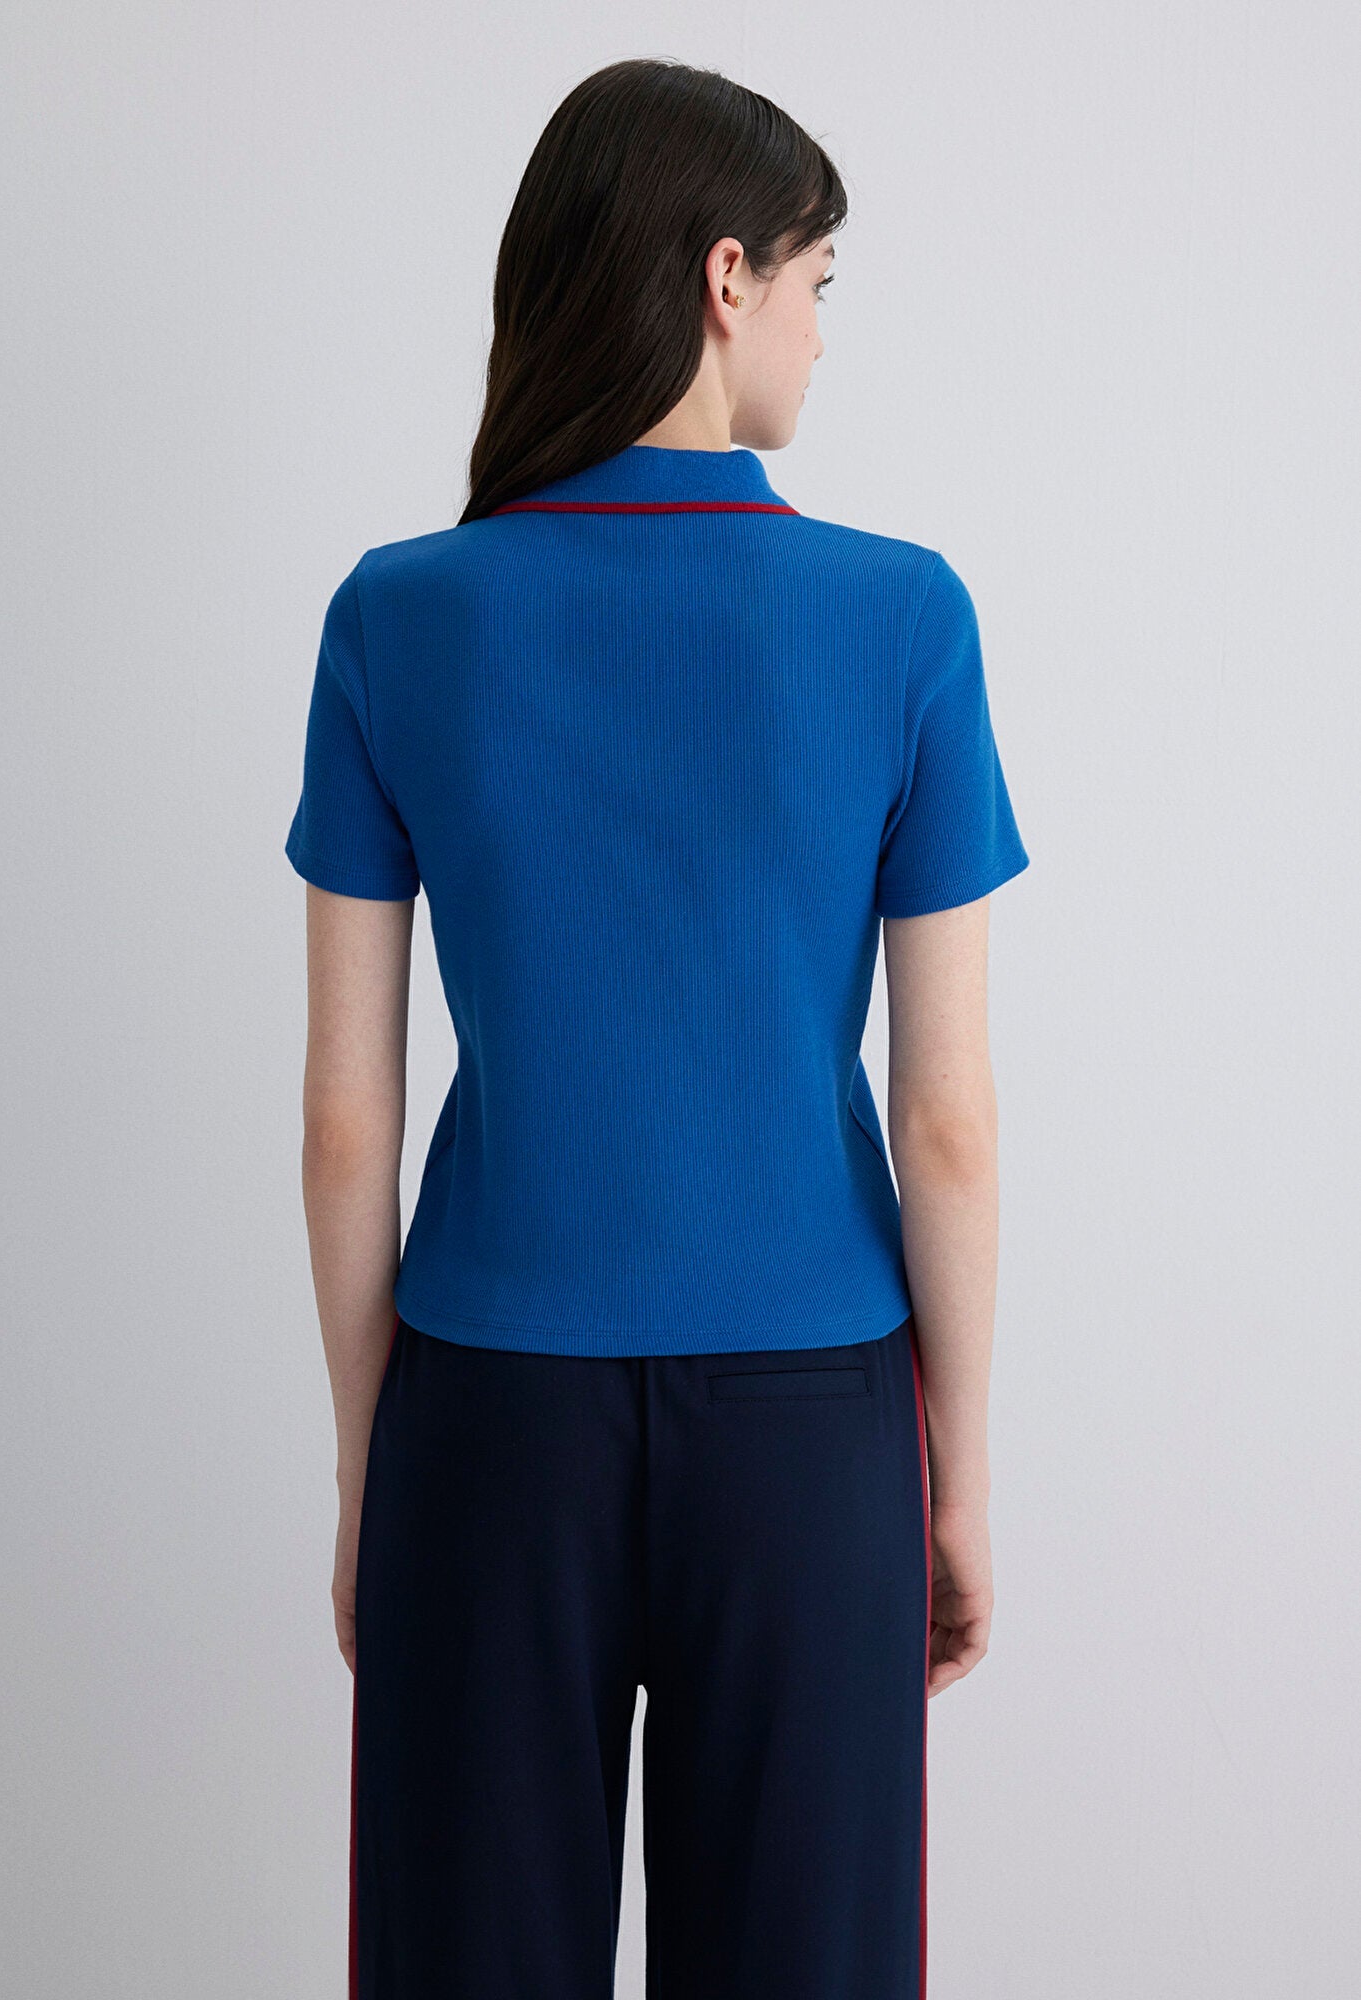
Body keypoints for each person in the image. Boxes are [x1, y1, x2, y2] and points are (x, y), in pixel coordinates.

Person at [284, 56, 1029, 2000]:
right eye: (815, 283)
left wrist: (371, 1474)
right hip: (810, 1431)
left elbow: (348, 1121)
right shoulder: (902, 617)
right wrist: (957, 1484)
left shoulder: (397, 617)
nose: (818, 331)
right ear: (724, 277)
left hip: (487, 1420)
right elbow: (947, 1122)